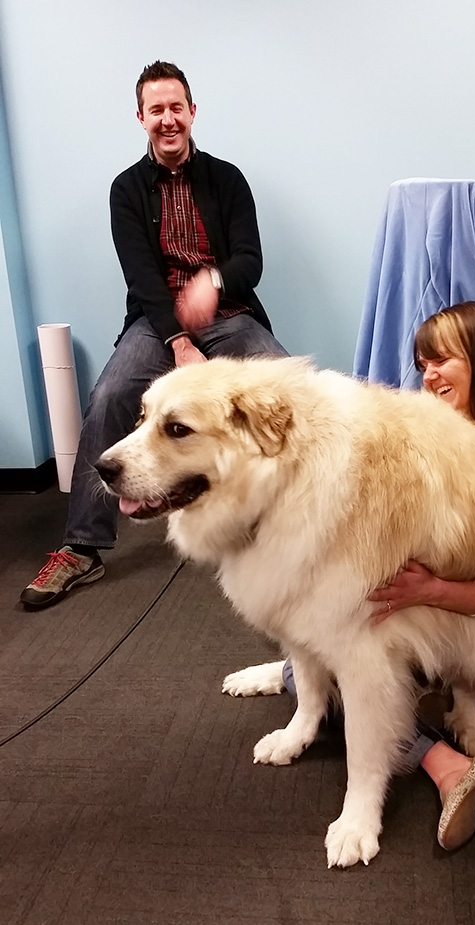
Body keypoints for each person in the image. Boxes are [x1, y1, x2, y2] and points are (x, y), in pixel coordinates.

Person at [231, 301, 475, 851]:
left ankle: (448, 740)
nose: (429, 375)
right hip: (414, 604)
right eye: (423, 363)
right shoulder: (414, 433)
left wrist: (435, 591)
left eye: (444, 360)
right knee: (339, 643)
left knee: (359, 663)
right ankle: (310, 686)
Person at [21, 61, 287, 609]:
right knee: (111, 396)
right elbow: (142, 278)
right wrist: (178, 341)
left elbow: (250, 262)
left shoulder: (228, 178)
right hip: (155, 319)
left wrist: (210, 283)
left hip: (231, 314)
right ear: (141, 117)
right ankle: (82, 546)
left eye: (176, 107)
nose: (168, 119)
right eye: (156, 110)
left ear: (192, 112)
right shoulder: (126, 189)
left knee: (280, 389)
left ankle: (293, 518)